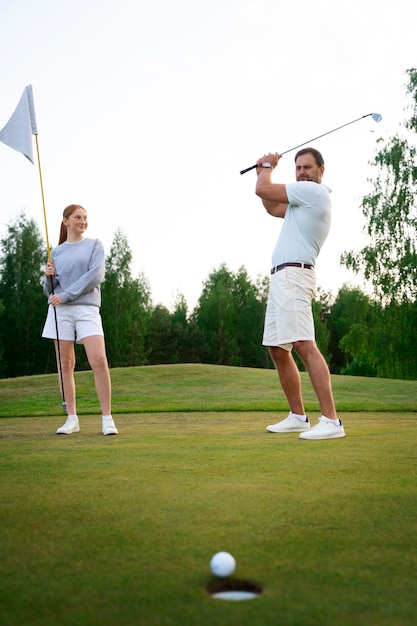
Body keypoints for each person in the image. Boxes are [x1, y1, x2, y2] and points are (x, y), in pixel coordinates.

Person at [255, 148, 345, 440]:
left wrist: (267, 166)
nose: (302, 172)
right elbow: (270, 205)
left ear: (321, 170)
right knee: (277, 348)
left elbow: (264, 189)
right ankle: (297, 416)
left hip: (295, 275)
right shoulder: (300, 202)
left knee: (304, 344)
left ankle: (331, 421)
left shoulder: (314, 194)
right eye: (297, 168)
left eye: (307, 167)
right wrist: (261, 172)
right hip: (282, 277)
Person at [42, 204, 118, 436]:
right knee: (65, 364)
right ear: (66, 221)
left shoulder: (95, 245)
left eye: (85, 217)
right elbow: (50, 291)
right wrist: (48, 278)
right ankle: (71, 418)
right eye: (78, 217)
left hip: (86, 309)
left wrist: (65, 295)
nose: (83, 221)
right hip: (61, 312)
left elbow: (94, 276)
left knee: (99, 360)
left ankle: (107, 418)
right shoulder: (55, 252)